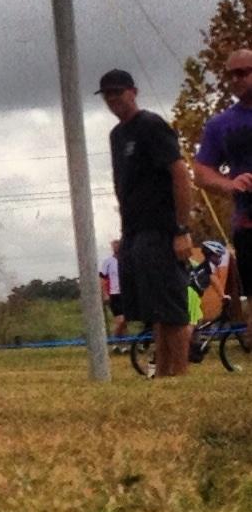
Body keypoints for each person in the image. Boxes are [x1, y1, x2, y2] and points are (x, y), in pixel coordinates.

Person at [97, 69, 193, 377]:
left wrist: (181, 229)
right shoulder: (117, 136)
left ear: (133, 92)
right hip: (135, 232)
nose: (113, 99)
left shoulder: (150, 125)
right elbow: (122, 186)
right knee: (153, 311)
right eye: (108, 95)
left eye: (118, 92)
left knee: (172, 308)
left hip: (162, 229)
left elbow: (180, 174)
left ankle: (178, 375)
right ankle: (163, 374)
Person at [193, 47, 252, 346]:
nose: (236, 79)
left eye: (244, 72)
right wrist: (230, 184)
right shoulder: (221, 124)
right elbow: (201, 172)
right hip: (248, 223)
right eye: (231, 75)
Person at [99, 239, 127, 353]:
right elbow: (102, 278)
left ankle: (123, 345)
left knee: (125, 321)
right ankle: (115, 342)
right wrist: (105, 293)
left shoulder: (126, 260)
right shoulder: (108, 262)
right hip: (114, 294)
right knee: (120, 320)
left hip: (125, 293)